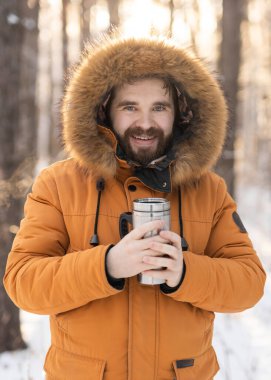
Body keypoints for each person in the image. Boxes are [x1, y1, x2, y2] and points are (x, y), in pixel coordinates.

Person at [4, 37, 266, 380]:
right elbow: (24, 282)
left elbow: (249, 283)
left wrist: (185, 272)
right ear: (104, 110)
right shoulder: (59, 184)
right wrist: (107, 265)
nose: (145, 122)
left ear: (181, 113)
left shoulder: (209, 190)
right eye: (130, 107)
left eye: (159, 107)